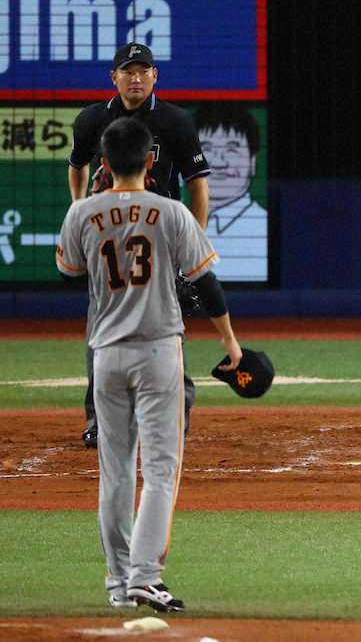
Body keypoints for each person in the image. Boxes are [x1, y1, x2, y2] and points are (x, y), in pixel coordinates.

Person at [56, 117, 241, 611]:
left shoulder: (81, 213)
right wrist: (230, 343)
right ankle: (145, 576)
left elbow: (68, 271)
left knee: (115, 472)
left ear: (103, 162)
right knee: (160, 469)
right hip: (158, 351)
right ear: (151, 159)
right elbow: (205, 284)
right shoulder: (172, 211)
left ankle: (120, 583)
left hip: (105, 354)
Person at [68, 42, 211, 448]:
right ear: (113, 77)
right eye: (128, 71)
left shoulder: (175, 121)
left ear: (155, 76)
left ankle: (175, 415)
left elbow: (198, 186)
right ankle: (99, 421)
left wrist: (192, 245)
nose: (136, 78)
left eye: (143, 70)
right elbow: (76, 166)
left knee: (168, 327)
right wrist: (79, 211)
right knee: (101, 326)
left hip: (159, 237)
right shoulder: (92, 119)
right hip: (110, 239)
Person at [194, 103, 268, 281]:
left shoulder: (261, 228)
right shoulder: (172, 224)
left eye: (232, 150)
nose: (219, 163)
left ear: (253, 163)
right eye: (207, 149)